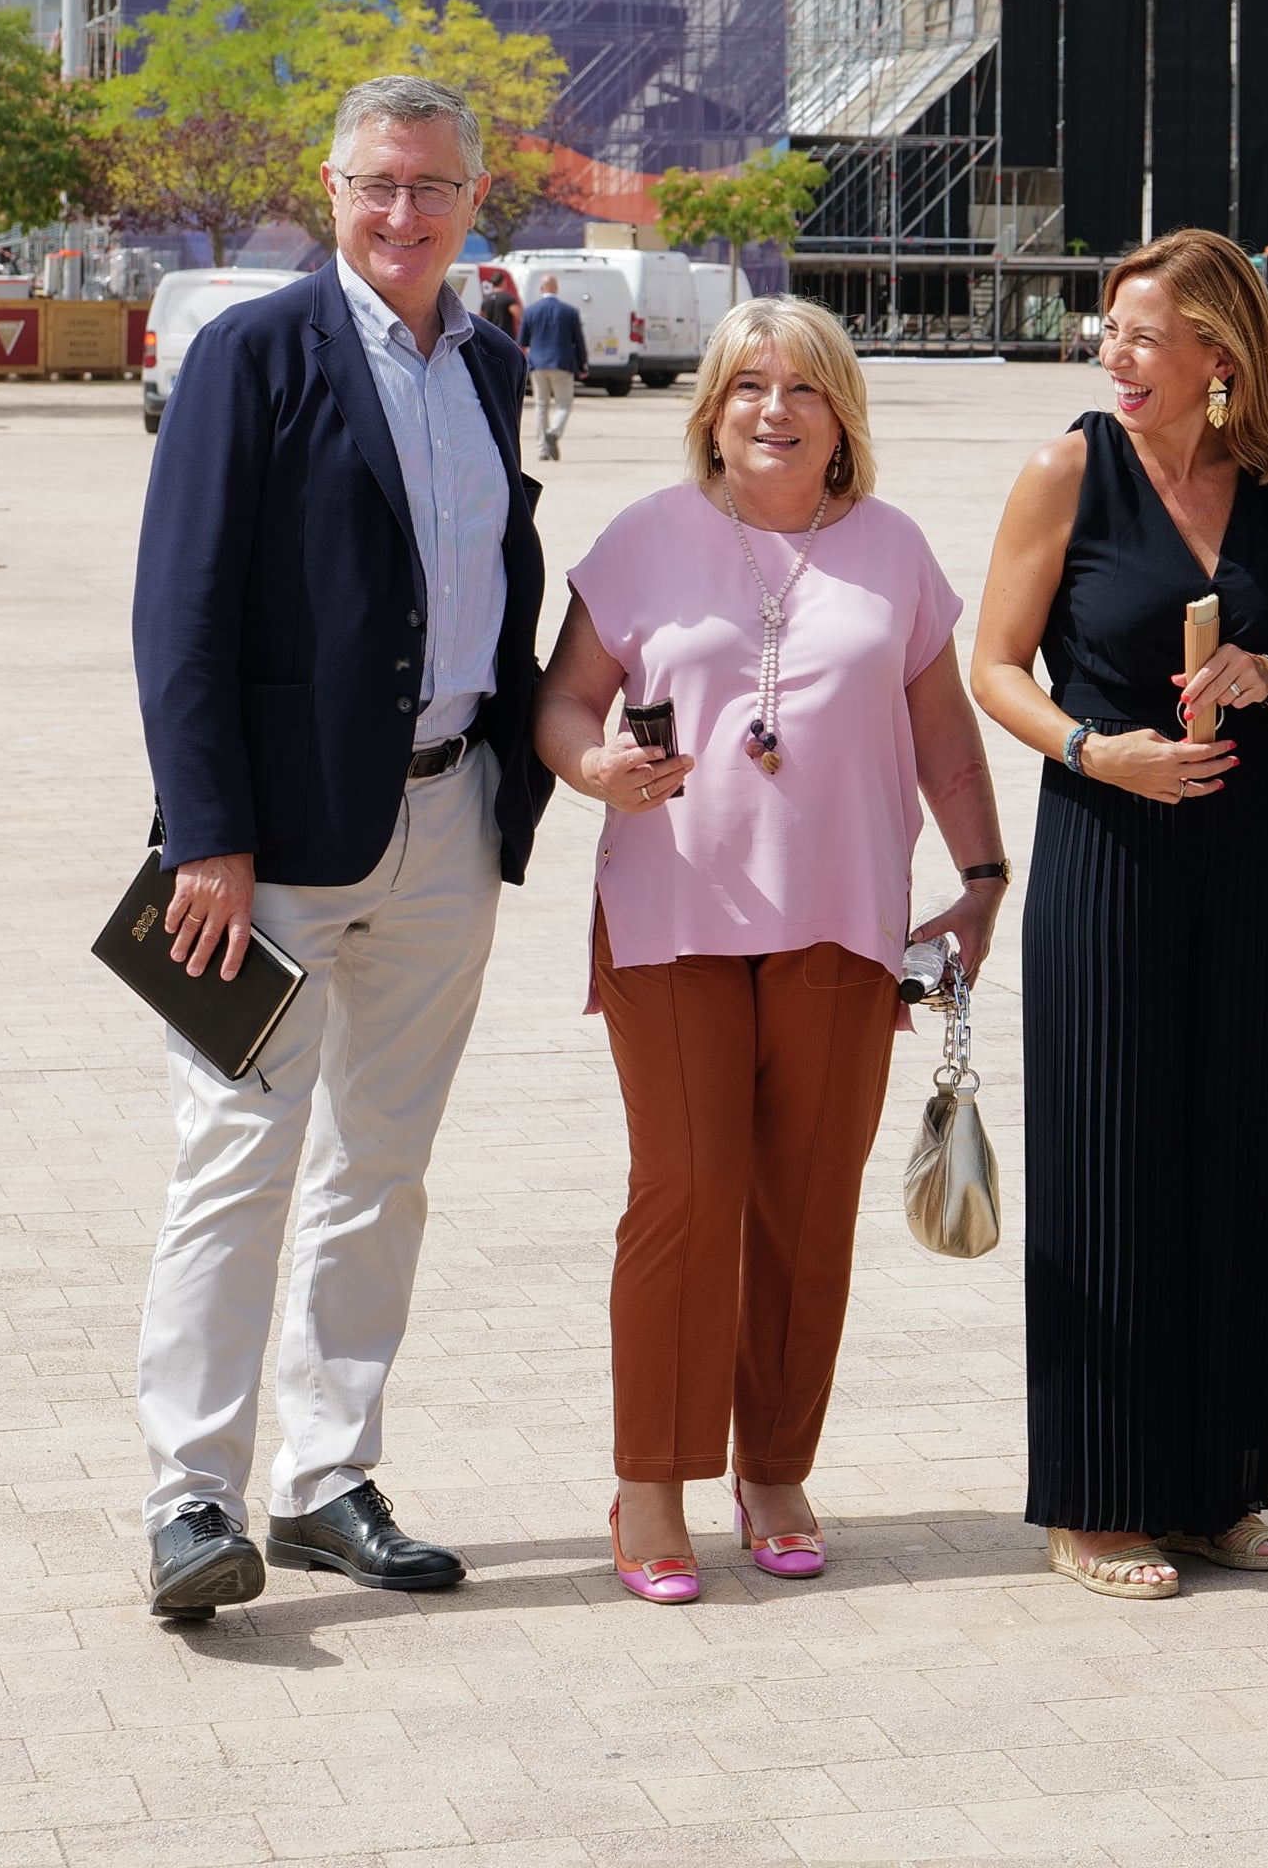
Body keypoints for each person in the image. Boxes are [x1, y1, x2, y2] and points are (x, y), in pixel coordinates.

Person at [125, 75, 551, 1621]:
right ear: (330, 188)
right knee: (233, 1158)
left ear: (471, 195)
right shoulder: (252, 354)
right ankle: (189, 1497)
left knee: (383, 1166)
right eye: (378, 185)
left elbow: (497, 575)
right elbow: (179, 608)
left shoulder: (490, 366)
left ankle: (323, 1478)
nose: (402, 214)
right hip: (268, 850)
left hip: (443, 824)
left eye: (432, 187)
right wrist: (209, 837)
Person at [535, 296, 1007, 1604]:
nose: (773, 410)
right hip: (671, 920)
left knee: (805, 1209)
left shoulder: (896, 555)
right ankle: (651, 1478)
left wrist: (980, 879)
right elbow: (564, 702)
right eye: (748, 386)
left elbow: (947, 741)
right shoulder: (644, 538)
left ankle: (778, 1466)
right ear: (711, 410)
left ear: (842, 414)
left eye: (803, 389)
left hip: (847, 926)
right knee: (685, 1191)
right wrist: (594, 765)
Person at [964, 230, 1268, 1600]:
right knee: (1109, 1164)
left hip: (1249, 851)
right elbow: (992, 666)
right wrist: (1095, 751)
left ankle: (1220, 1483)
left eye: (1141, 332)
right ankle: (1099, 1500)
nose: (1113, 352)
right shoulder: (1068, 468)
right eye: (1107, 330)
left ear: (1219, 355)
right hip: (1105, 838)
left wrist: (1267, 672)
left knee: (1236, 1156)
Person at [521, 273, 588, 461]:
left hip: (538, 365)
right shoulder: (569, 311)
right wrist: (582, 364)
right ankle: (554, 431)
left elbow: (523, 341)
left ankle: (542, 449)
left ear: (542, 289)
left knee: (541, 405)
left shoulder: (531, 311)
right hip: (562, 363)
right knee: (564, 404)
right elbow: (578, 341)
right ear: (556, 288)